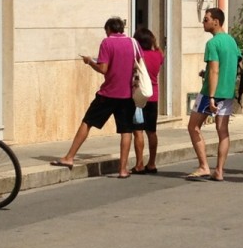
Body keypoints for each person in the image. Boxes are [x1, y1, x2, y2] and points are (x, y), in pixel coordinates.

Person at [52, 16, 136, 177]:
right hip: (127, 94)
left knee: (87, 122)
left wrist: (90, 61)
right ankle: (123, 169)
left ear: (109, 29)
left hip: (109, 93)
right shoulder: (133, 43)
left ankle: (69, 157)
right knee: (126, 131)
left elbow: (103, 69)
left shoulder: (107, 43)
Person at [186, 7, 241, 181]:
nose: (204, 22)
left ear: (216, 21)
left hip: (212, 92)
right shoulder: (232, 41)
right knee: (222, 130)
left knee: (193, 127)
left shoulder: (212, 43)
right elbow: (236, 65)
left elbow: (215, 70)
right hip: (227, 92)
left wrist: (210, 96)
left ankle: (204, 166)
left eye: (206, 19)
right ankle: (220, 170)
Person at [130, 28, 164, 174]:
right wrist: (155, 44)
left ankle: (139, 164)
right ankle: (152, 163)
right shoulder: (158, 55)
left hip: (138, 97)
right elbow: (159, 51)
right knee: (152, 131)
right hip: (153, 96)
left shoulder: (137, 57)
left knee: (138, 131)